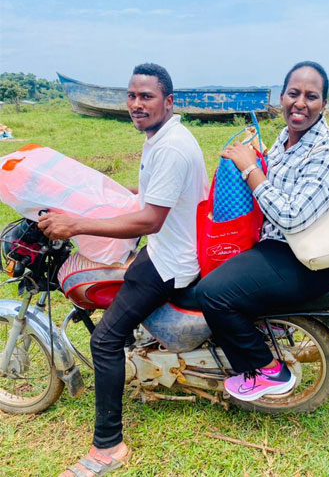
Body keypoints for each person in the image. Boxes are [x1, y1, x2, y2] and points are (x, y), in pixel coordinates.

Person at [40, 63, 208, 477]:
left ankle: (108, 447)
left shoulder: (168, 146)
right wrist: (105, 194)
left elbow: (150, 220)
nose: (136, 104)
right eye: (131, 95)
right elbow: (153, 197)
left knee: (105, 342)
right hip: (171, 248)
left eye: (146, 96)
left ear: (168, 101)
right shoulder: (162, 136)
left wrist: (75, 225)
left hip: (170, 260)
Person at [195, 61, 329, 401]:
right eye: (294, 93)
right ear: (281, 97)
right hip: (283, 246)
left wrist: (250, 169)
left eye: (312, 97)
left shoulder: (328, 151)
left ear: (324, 105)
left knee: (211, 293)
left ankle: (268, 370)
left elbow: (293, 217)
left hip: (313, 258)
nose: (301, 103)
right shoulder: (285, 139)